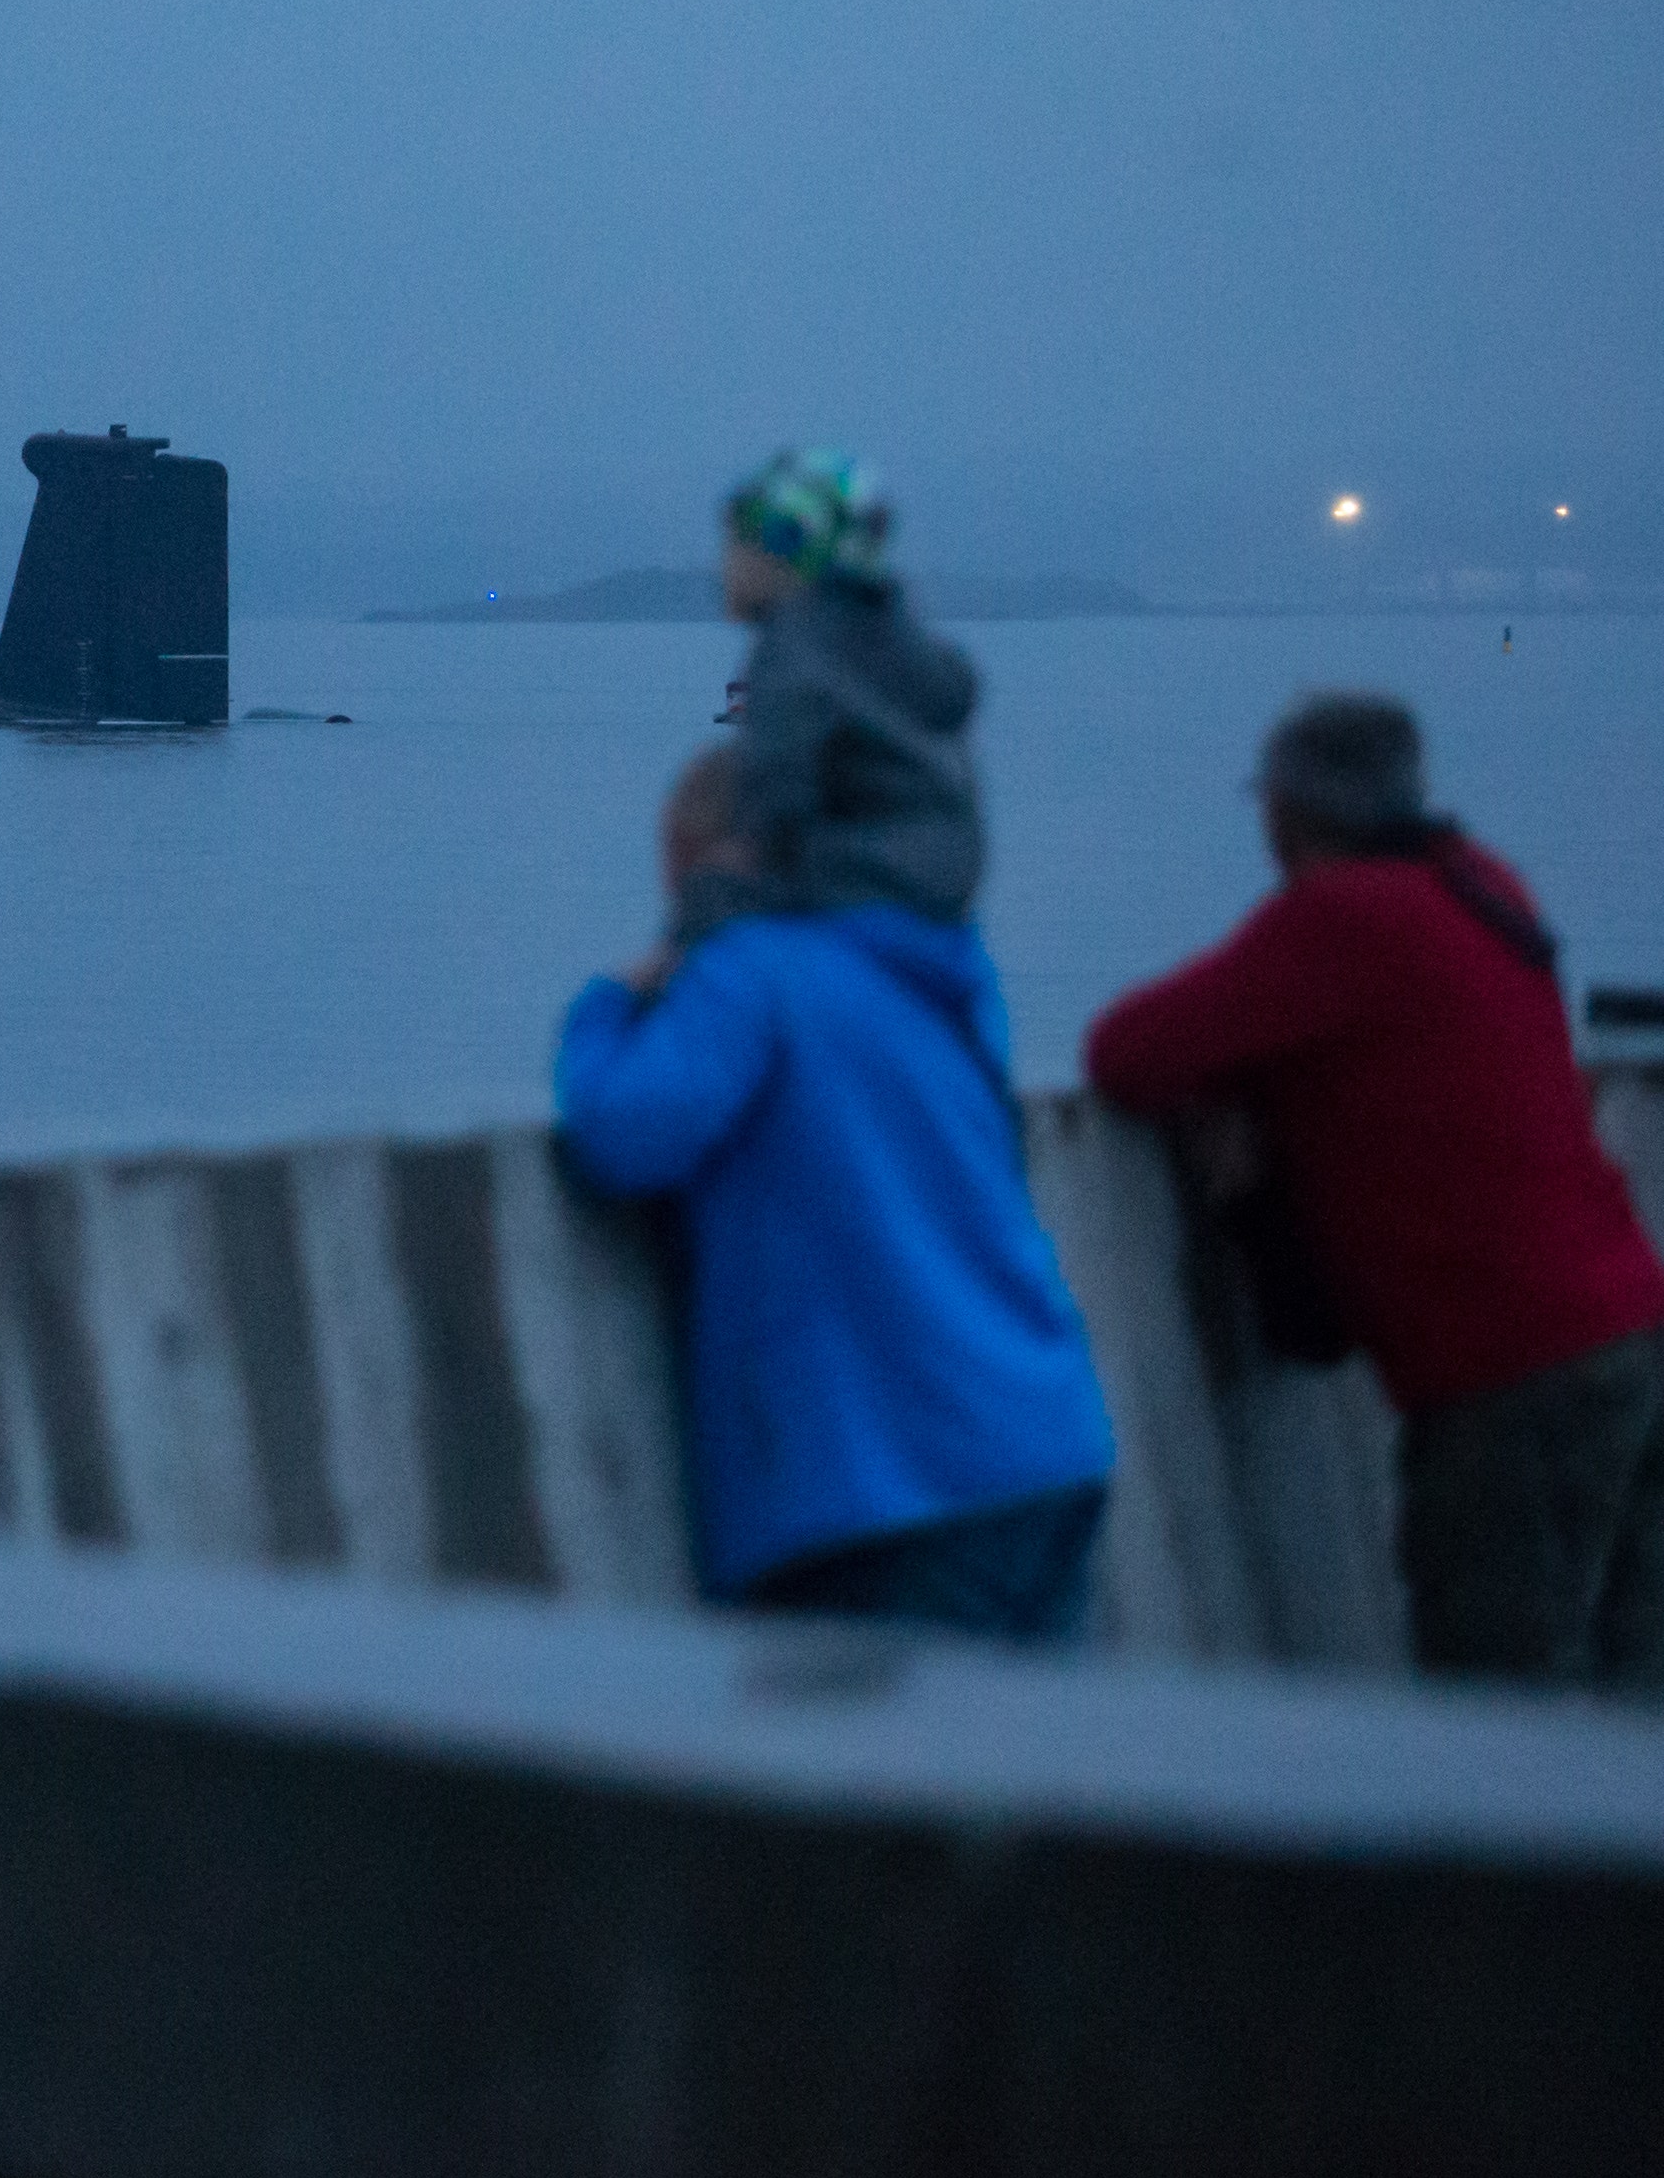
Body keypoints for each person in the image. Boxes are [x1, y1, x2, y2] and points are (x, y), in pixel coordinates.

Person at [1084, 694, 1664, 1691]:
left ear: (1287, 810)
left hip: (1510, 1374)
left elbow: (1124, 1052)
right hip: (1625, 1333)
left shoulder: (1342, 920)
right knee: (1629, 1679)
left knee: (1499, 1699)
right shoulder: (1483, 886)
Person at [557, 745, 1120, 1637]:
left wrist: (606, 1004)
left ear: (727, 861)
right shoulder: (929, 971)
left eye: (681, 876)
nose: (677, 910)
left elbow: (626, 1133)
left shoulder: (750, 970)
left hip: (893, 1486)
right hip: (1046, 1448)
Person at [716, 447, 984, 921]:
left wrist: (693, 921)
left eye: (736, 539)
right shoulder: (897, 640)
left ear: (785, 545)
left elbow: (770, 819)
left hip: (844, 912)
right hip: (937, 916)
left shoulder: (793, 647)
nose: (724, 561)